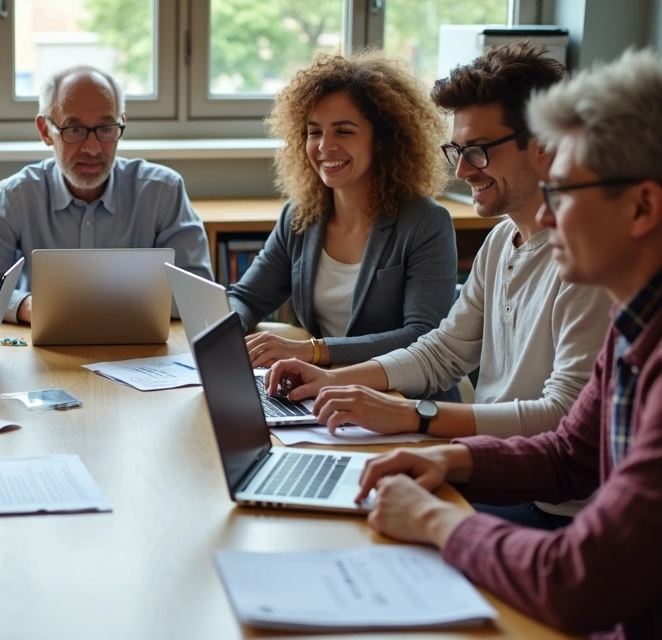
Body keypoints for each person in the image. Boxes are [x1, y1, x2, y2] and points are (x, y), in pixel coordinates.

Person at [355, 49, 662, 639]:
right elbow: (568, 455)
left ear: (643, 206)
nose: (548, 213)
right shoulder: (633, 323)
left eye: (566, 192)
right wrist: (448, 458)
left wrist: (435, 519)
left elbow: (581, 581)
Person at [266, 43, 612, 527]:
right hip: (493, 473)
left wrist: (414, 416)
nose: (463, 170)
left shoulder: (591, 262)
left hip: (557, 510)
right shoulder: (500, 242)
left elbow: (562, 418)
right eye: (457, 150)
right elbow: (444, 350)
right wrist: (332, 380)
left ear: (544, 144)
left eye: (477, 151)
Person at [229, 51, 458, 373]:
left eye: (344, 131)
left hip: (402, 399)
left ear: (382, 140)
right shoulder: (300, 216)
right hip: (321, 391)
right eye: (314, 132)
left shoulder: (425, 222)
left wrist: (314, 352)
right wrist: (225, 331)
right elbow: (247, 298)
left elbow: (422, 336)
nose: (324, 146)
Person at [0, 64, 212, 323]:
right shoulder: (20, 195)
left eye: (106, 129)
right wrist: (25, 306)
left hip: (141, 355)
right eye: (74, 130)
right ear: (46, 131)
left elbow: (199, 294)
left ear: (122, 125)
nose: (92, 148)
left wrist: (96, 309)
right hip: (42, 351)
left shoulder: (162, 192)